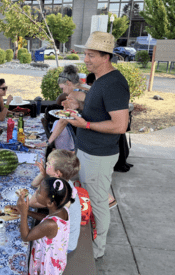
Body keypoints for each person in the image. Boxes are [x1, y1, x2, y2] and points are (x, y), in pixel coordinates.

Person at [68, 31, 130, 259]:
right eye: (85, 54)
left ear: (106, 57)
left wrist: (86, 125)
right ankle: (90, 242)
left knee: (98, 201)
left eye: (91, 55)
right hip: (88, 151)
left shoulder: (113, 83)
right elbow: (97, 112)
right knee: (90, 197)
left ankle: (97, 249)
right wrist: (78, 107)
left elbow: (120, 125)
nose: (86, 59)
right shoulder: (101, 79)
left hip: (98, 155)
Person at [16, 177, 76, 274]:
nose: (37, 192)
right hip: (56, 259)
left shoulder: (50, 224)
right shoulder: (63, 210)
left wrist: (23, 213)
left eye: (39, 192)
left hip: (47, 267)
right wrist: (28, 212)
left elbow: (26, 237)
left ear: (49, 202)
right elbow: (46, 217)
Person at [29, 148, 81, 253]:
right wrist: (43, 175)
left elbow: (31, 202)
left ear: (57, 173)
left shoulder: (57, 192)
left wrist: (44, 181)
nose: (46, 164)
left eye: (48, 164)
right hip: (66, 236)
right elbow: (33, 184)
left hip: (64, 245)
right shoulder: (63, 182)